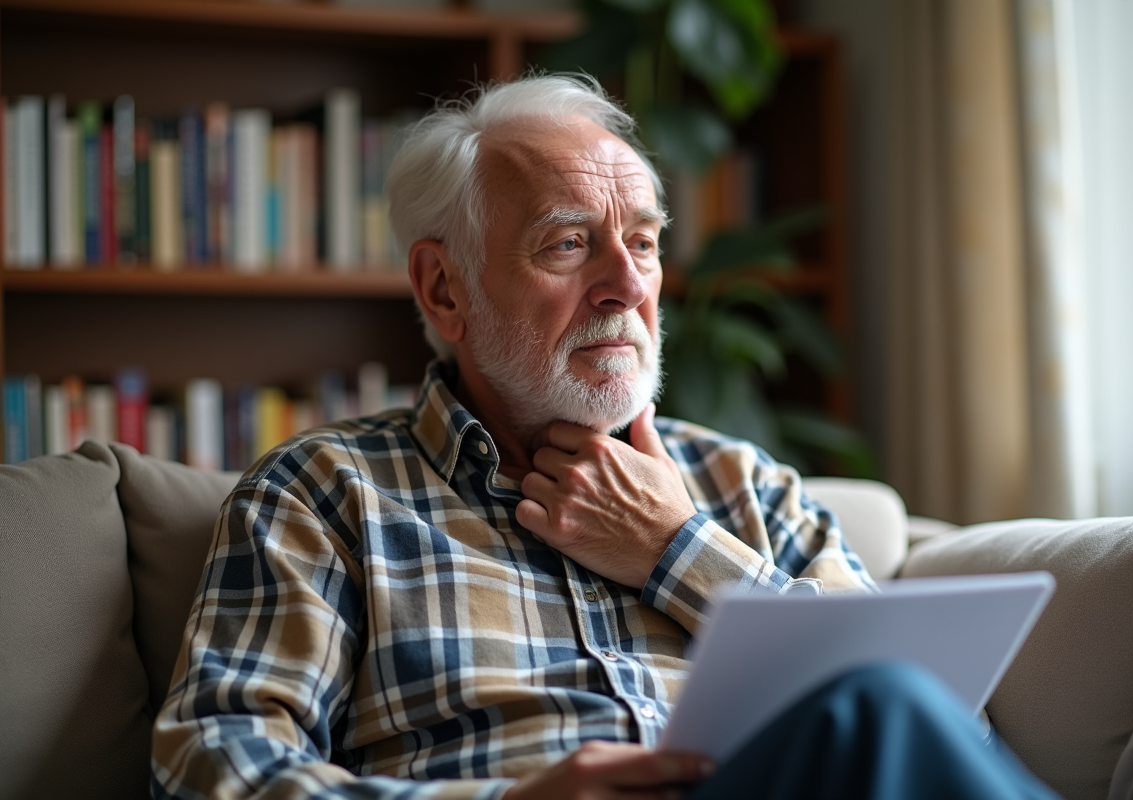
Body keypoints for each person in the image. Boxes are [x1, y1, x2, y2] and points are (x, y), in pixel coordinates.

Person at [151, 73, 1057, 800]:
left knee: (882, 700)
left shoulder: (745, 487)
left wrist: (678, 549)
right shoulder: (327, 492)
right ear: (444, 290)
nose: (628, 285)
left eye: (647, 242)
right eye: (567, 245)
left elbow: (941, 728)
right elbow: (212, 766)